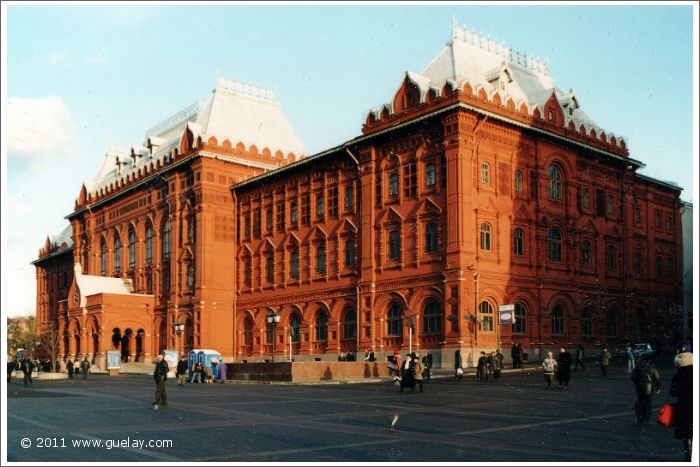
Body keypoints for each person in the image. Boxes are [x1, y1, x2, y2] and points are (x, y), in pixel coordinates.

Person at [670, 350, 692, 461]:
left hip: (684, 405)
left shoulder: (678, 376)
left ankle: (689, 454)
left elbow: (673, 392)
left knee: (687, 432)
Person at [631, 356, 660, 424]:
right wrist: (658, 387)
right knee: (648, 403)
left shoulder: (637, 368)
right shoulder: (652, 368)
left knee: (640, 402)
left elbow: (633, 377)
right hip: (649, 388)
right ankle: (646, 418)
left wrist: (637, 383)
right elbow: (657, 378)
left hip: (640, 388)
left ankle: (640, 417)